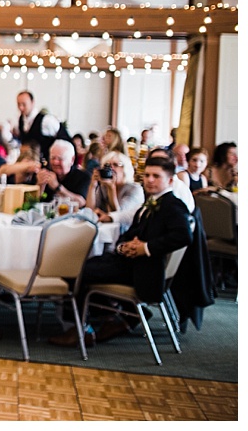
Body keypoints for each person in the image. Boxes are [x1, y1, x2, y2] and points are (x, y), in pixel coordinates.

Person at [50, 157, 192, 348]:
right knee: (79, 266)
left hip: (144, 271)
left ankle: (81, 330)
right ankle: (122, 315)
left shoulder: (173, 205)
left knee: (73, 272)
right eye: (147, 175)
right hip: (129, 262)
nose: (149, 180)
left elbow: (184, 236)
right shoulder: (152, 202)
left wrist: (146, 248)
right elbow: (131, 233)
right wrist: (122, 247)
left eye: (156, 176)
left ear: (170, 181)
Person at [88, 152, 144, 234]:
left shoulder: (134, 189)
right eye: (107, 165)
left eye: (115, 165)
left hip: (127, 233)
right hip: (106, 231)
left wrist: (111, 189)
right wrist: (93, 185)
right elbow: (89, 211)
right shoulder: (103, 187)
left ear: (125, 168)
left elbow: (119, 217)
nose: (111, 168)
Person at [36, 140, 91, 211]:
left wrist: (57, 187)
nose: (55, 162)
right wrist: (40, 185)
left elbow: (81, 203)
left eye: (60, 159)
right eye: (53, 158)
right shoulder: (45, 172)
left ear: (72, 159)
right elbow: (32, 203)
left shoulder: (84, 177)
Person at [16, 90, 60, 158]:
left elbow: (60, 137)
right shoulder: (21, 119)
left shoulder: (46, 121)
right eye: (18, 104)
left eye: (24, 104)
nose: (21, 108)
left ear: (32, 102)